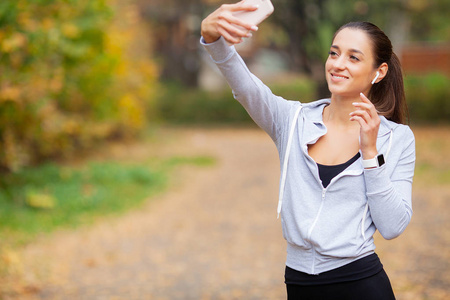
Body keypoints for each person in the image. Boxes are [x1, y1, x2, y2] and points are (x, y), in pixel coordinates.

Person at [200, 1, 415, 299]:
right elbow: (246, 88)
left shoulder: (397, 138)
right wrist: (213, 39)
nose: (338, 64)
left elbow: (393, 226)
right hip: (300, 283)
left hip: (361, 283)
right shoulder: (291, 120)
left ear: (378, 71)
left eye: (354, 58)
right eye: (334, 53)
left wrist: (370, 152)